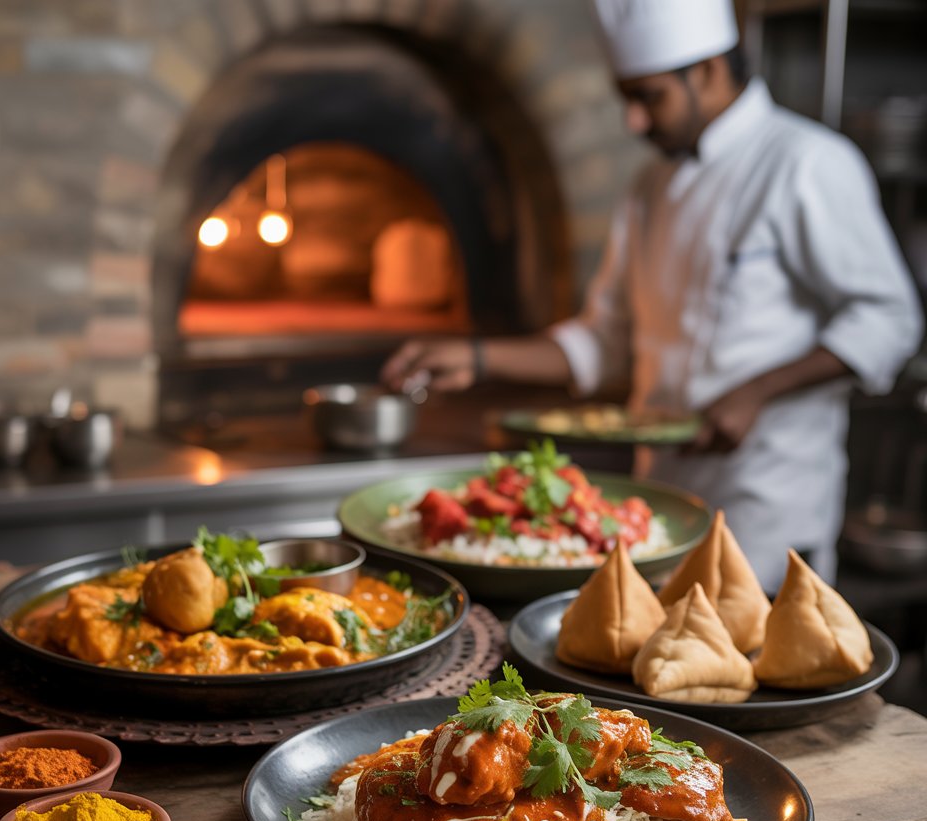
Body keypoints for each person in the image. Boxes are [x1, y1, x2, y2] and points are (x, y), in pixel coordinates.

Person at [381, 0, 923, 592]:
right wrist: (479, 358)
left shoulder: (806, 163)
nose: (634, 122)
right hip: (659, 509)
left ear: (710, 69)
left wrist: (755, 393)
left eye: (649, 97)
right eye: (626, 98)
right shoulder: (649, 187)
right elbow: (603, 340)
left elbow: (889, 318)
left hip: (765, 511)